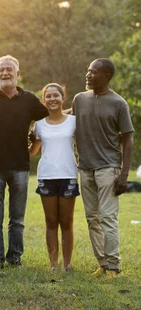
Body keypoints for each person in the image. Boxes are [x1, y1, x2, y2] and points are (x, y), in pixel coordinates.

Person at [0, 55, 49, 272]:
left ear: (17, 74)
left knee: (17, 218)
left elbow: (50, 118)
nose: (5, 73)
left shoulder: (29, 100)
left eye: (10, 70)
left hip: (20, 166)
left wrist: (35, 143)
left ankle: (15, 259)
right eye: (2, 70)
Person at [73, 58, 134, 278]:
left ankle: (114, 267)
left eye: (94, 72)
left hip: (108, 167)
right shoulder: (79, 99)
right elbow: (67, 124)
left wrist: (124, 174)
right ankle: (103, 263)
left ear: (106, 76)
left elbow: (128, 139)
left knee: (108, 217)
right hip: (85, 167)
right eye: (88, 70)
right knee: (92, 218)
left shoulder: (119, 103)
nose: (88, 75)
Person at [28, 83, 78, 271]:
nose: (52, 99)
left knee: (67, 221)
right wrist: (28, 141)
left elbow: (81, 145)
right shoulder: (39, 125)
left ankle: (67, 264)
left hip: (68, 175)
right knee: (50, 221)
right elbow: (33, 152)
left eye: (55, 95)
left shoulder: (73, 121)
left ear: (63, 97)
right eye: (48, 96)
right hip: (47, 176)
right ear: (44, 100)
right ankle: (53, 264)